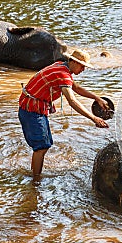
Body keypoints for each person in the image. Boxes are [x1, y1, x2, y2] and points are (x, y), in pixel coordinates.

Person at [18, 49, 109, 182]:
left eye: (85, 66)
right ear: (72, 61)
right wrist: (93, 118)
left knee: (45, 144)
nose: (83, 69)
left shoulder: (61, 66)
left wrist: (96, 98)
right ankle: (36, 181)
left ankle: (34, 174)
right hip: (31, 110)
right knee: (41, 146)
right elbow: (72, 101)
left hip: (35, 107)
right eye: (81, 65)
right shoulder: (62, 74)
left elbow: (76, 88)